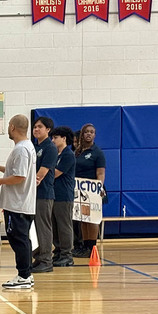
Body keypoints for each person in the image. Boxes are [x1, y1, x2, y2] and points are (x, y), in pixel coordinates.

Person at [0, 115, 37, 289]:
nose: (8, 128)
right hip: (22, 203)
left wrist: (0, 181)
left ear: (13, 127)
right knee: (21, 239)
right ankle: (26, 274)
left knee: (18, 240)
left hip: (17, 204)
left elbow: (20, 177)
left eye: (8, 125)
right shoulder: (27, 147)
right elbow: (19, 170)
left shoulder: (21, 149)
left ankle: (24, 276)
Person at [73, 123, 106, 258]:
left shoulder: (97, 153)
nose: (89, 134)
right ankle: (84, 246)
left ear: (95, 135)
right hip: (80, 190)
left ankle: (92, 247)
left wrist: (100, 187)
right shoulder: (78, 151)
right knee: (83, 219)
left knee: (92, 219)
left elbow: (101, 173)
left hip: (92, 191)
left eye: (92, 132)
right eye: (86, 131)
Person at [31, 116, 57, 273]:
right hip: (34, 194)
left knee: (44, 227)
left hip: (44, 193)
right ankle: (40, 256)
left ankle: (47, 260)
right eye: (34, 126)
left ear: (48, 130)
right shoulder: (34, 147)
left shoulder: (50, 148)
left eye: (40, 127)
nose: (36, 129)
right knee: (37, 228)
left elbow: (40, 174)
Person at [50, 126, 76, 267]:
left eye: (55, 137)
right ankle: (58, 252)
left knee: (64, 226)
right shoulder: (57, 154)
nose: (53, 140)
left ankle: (67, 255)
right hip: (54, 195)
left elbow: (54, 173)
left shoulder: (68, 155)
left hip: (64, 196)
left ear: (64, 138)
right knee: (55, 226)